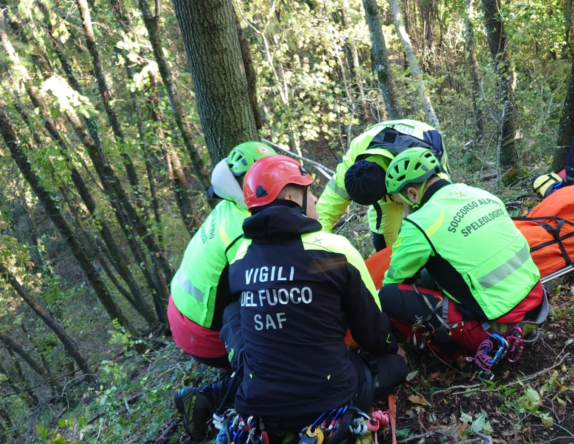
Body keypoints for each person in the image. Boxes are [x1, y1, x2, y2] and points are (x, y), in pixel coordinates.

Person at [174, 155, 407, 441]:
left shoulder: (241, 257)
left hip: (260, 406)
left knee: (233, 311)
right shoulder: (335, 249)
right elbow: (372, 329)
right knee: (395, 366)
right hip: (330, 396)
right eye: (311, 190)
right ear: (291, 196)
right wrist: (391, 348)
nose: (317, 198)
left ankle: (219, 394)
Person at [378, 148, 547, 366]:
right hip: (538, 306)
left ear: (412, 194)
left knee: (387, 296)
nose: (404, 209)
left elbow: (394, 281)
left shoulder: (419, 223)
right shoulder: (480, 194)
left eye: (401, 203)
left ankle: (448, 353)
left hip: (498, 331)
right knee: (439, 269)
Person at [167, 142, 275, 369]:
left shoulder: (231, 206)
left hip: (183, 315)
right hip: (203, 337)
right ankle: (247, 376)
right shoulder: (247, 231)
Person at [317, 119, 449, 252]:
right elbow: (324, 211)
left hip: (423, 135)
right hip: (374, 143)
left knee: (435, 222)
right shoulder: (350, 169)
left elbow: (442, 199)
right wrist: (317, 247)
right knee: (383, 240)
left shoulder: (418, 160)